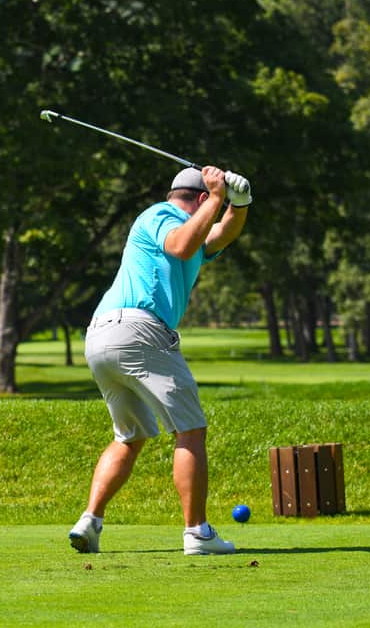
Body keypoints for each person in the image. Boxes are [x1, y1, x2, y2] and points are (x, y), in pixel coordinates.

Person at [69, 165, 251, 555]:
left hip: (104, 335)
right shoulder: (160, 215)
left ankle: (90, 521)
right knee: (190, 429)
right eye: (209, 202)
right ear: (201, 199)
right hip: (139, 329)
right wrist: (219, 199)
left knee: (129, 436)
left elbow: (219, 235)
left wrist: (240, 203)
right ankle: (198, 533)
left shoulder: (194, 225)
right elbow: (181, 246)